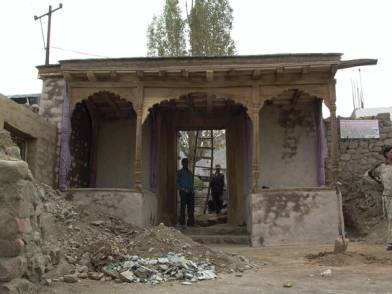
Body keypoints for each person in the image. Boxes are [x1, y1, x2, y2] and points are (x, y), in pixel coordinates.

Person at [367, 145, 392, 250]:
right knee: (390, 219)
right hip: (387, 196)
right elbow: (370, 174)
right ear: (386, 154)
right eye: (391, 152)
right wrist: (379, 181)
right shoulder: (382, 167)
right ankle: (391, 243)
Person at [177, 158, 195, 226]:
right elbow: (177, 183)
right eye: (184, 163)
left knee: (191, 208)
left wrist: (192, 190)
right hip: (183, 192)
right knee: (183, 207)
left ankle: (191, 222)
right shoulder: (179, 172)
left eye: (187, 163)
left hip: (191, 192)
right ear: (182, 164)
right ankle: (182, 221)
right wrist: (183, 189)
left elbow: (192, 182)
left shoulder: (190, 173)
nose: (186, 164)